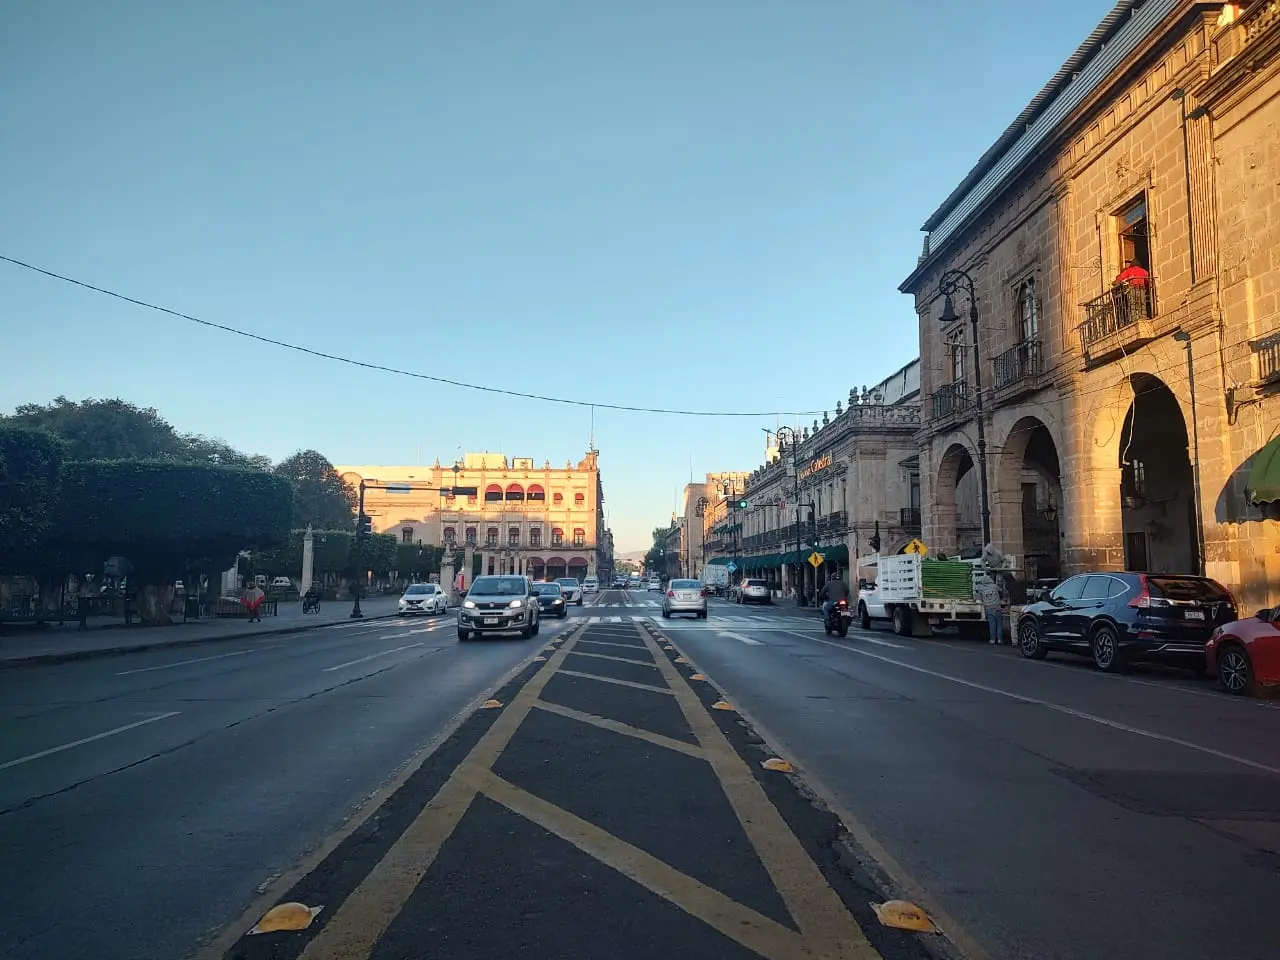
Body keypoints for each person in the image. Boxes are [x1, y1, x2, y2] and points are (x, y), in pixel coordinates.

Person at [977, 574, 1008, 645]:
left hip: (989, 608)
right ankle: (1000, 639)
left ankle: (992, 639)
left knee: (992, 625)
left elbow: (980, 596)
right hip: (997, 607)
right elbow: (1001, 591)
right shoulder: (995, 586)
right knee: (999, 624)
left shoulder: (981, 588)